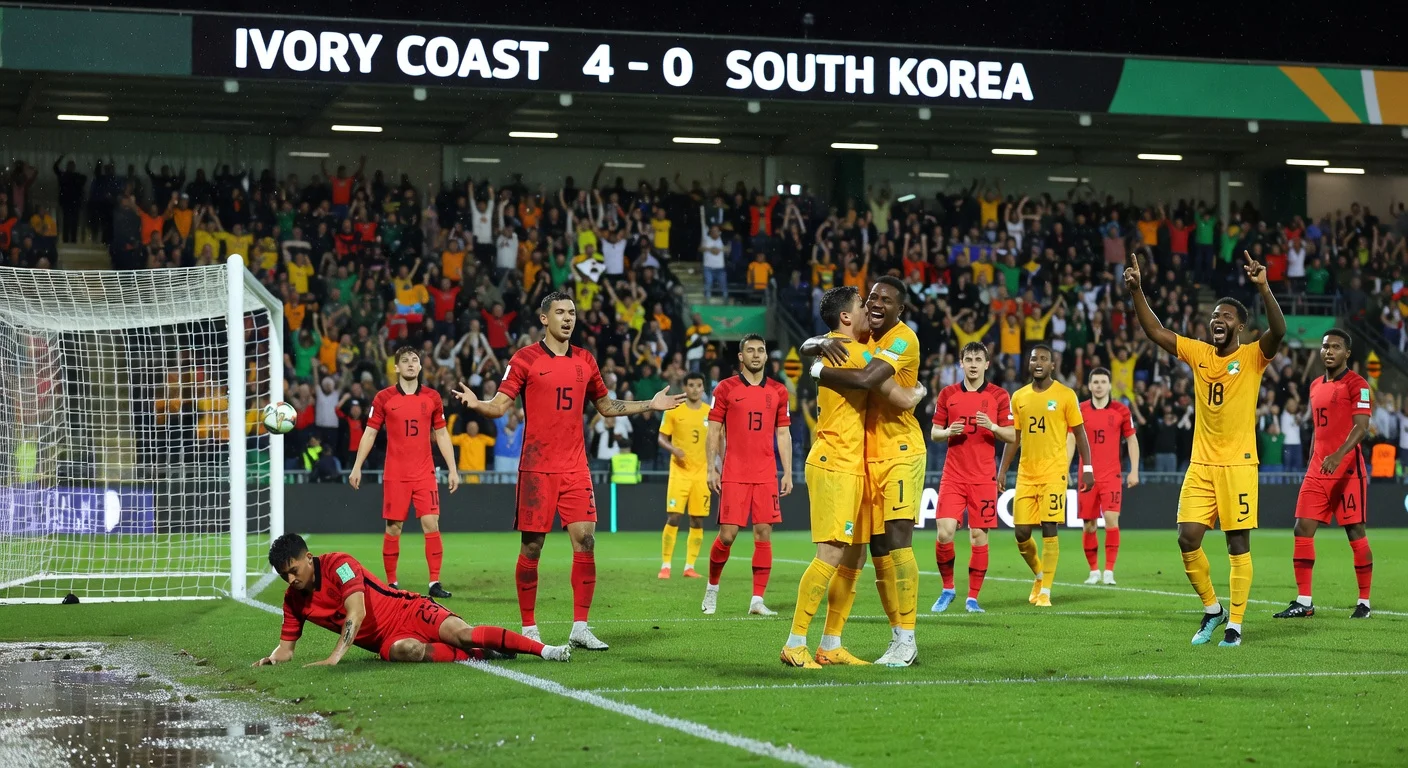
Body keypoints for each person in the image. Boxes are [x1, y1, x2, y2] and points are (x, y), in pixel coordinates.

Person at [452, 291, 685, 650]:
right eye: (560, 312)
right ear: (544, 318)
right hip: (537, 468)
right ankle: (529, 628)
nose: (568, 318)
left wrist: (649, 405)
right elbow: (500, 406)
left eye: (572, 312)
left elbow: (606, 406)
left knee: (586, 541)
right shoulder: (525, 358)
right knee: (532, 548)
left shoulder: (586, 360)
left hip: (575, 467)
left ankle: (580, 627)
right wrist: (477, 405)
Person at [1125, 251, 1285, 647]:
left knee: (1237, 543)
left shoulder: (1252, 357)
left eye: (1227, 316)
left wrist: (1263, 287)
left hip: (1238, 465)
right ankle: (1214, 609)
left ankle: (1236, 624)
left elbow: (1278, 331)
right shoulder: (1198, 352)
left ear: (1242, 327)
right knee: (1187, 538)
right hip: (1201, 464)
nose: (1218, 319)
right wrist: (1137, 291)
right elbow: (1155, 332)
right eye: (1215, 315)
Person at [783, 286, 926, 667]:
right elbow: (894, 394)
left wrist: (812, 351)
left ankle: (834, 644)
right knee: (833, 553)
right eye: (866, 303)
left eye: (881, 301)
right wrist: (916, 394)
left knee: (860, 554)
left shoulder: (884, 340)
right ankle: (796, 642)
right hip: (839, 460)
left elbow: (819, 345)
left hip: (875, 457)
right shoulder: (859, 349)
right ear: (847, 317)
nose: (872, 307)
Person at [254, 534, 569, 667]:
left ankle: (546, 651)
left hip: (411, 610)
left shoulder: (340, 564)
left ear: (308, 558)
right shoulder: (292, 600)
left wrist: (337, 655)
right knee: (408, 651)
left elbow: (357, 611)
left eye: (294, 571)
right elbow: (287, 649)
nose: (291, 580)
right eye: (285, 576)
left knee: (462, 633)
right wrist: (272, 658)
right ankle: (480, 654)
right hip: (389, 640)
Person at [1274, 330, 1374, 620]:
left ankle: (1364, 602)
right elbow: (1319, 428)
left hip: (1348, 471)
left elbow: (1362, 426)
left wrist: (1338, 455)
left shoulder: (1359, 385)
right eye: (1325, 346)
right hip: (1318, 469)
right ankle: (1304, 602)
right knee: (1301, 528)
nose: (1329, 351)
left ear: (1347, 354)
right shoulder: (1316, 385)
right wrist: (1312, 459)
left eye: (1336, 347)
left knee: (1355, 533)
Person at [348, 348, 460, 599]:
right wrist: (357, 465)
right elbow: (370, 432)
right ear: (396, 368)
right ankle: (392, 583)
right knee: (394, 528)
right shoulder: (383, 398)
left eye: (415, 360)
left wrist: (453, 469)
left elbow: (441, 434)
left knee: (431, 523)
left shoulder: (432, 397)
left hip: (425, 473)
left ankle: (434, 583)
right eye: (405, 361)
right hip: (396, 473)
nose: (411, 364)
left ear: (420, 367)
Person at [701, 334, 792, 617]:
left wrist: (787, 471)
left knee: (764, 533)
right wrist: (710, 467)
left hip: (766, 473)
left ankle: (757, 600)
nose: (756, 355)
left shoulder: (778, 391)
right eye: (750, 350)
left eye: (761, 351)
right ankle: (712, 587)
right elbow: (714, 430)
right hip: (734, 472)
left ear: (766, 357)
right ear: (740, 357)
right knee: (727, 536)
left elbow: (783, 432)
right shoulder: (726, 388)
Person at [998, 345, 1094, 608]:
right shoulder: (1018, 397)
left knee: (1050, 527)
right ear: (1028, 364)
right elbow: (1013, 438)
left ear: (1052, 365)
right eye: (1033, 358)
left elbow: (1080, 433)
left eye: (1043, 359)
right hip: (1026, 474)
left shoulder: (1065, 395)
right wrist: (1003, 469)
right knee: (1021, 533)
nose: (1037, 362)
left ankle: (1046, 592)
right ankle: (1039, 575)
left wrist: (1087, 469)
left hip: (1054, 472)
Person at [929, 341, 1015, 614]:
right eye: (969, 359)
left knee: (978, 536)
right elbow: (934, 433)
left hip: (983, 478)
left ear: (987, 364)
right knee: (945, 533)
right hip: (953, 476)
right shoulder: (948, 394)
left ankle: (972, 598)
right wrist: (948, 432)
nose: (974, 364)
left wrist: (992, 426)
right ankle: (948, 588)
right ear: (962, 363)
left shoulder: (999, 396)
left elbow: (1013, 436)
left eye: (979, 359)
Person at [1066, 368, 1140, 585]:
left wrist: (1134, 470)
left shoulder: (1121, 410)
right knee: (1088, 524)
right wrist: (1064, 467)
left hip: (1111, 475)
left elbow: (1132, 440)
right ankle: (1093, 571)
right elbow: (1071, 440)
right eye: (1095, 382)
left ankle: (1109, 571)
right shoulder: (1079, 411)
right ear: (1089, 386)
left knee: (1110, 519)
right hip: (1086, 475)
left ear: (1109, 385)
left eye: (1103, 381)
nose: (1099, 385)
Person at [657, 372, 712, 579]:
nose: (695, 389)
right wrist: (674, 450)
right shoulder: (674, 411)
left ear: (703, 387)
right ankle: (666, 565)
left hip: (702, 473)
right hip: (679, 472)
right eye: (691, 385)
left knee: (697, 520)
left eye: (699, 385)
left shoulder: (710, 412)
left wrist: (718, 465)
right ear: (685, 387)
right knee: (674, 516)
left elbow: (719, 439)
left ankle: (689, 566)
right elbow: (661, 438)